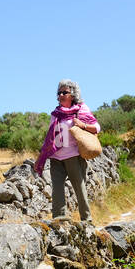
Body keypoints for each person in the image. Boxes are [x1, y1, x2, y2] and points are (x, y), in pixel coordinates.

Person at [34, 79, 100, 222]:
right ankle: (59, 221)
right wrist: (41, 157)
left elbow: (96, 127)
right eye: (59, 93)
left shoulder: (81, 109)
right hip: (56, 157)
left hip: (74, 156)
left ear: (73, 94)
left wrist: (82, 125)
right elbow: (49, 138)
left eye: (65, 92)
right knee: (56, 190)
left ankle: (86, 220)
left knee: (79, 188)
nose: (61, 95)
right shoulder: (56, 113)